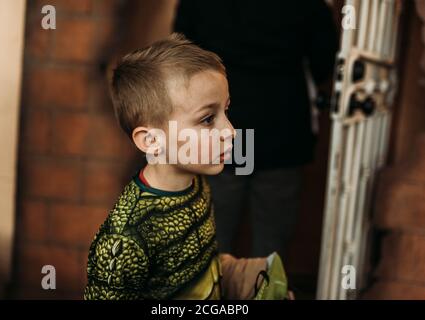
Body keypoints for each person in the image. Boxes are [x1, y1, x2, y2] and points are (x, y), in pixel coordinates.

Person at [84, 34, 289, 300]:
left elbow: (201, 264)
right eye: (207, 119)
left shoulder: (196, 183)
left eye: (226, 111)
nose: (231, 132)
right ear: (152, 140)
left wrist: (251, 279)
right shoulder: (125, 240)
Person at [174, 0, 339, 258]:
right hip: (281, 127)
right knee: (272, 245)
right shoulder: (310, 5)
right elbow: (324, 62)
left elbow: (181, 54)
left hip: (224, 125)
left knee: (211, 238)